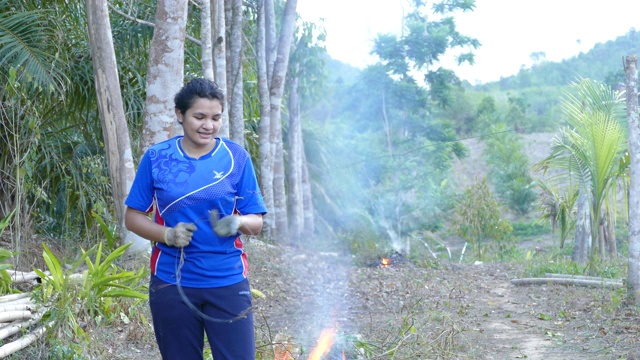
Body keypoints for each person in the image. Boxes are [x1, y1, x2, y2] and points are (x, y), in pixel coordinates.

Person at [124, 78, 267, 360]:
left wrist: (238, 223)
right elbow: (133, 217)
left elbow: (257, 221)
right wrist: (166, 235)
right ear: (180, 115)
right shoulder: (157, 158)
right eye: (199, 116)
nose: (208, 125)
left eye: (215, 118)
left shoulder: (236, 157)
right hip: (171, 283)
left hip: (227, 281)